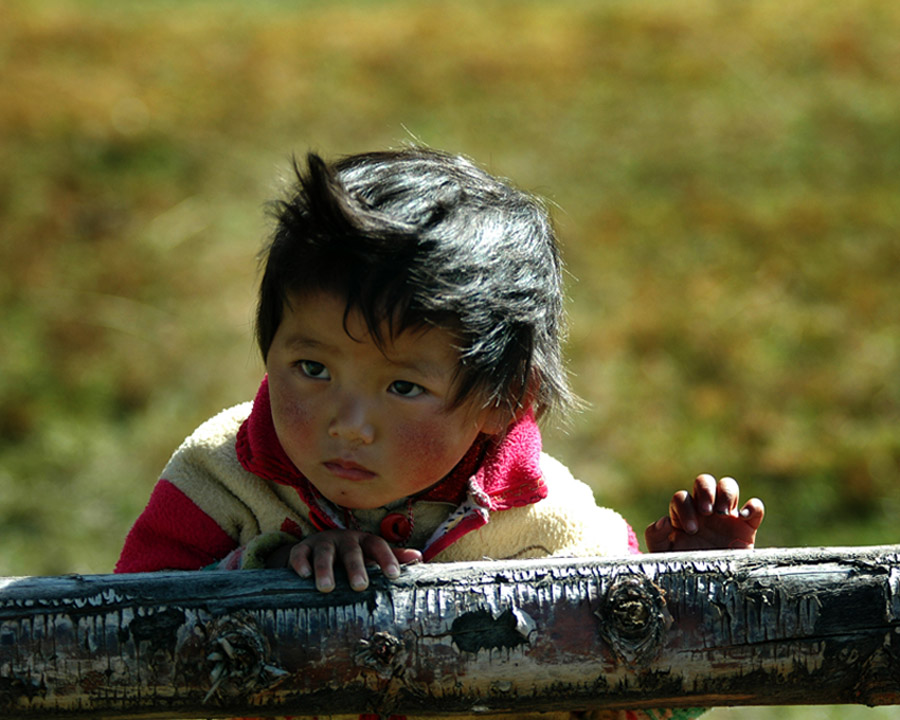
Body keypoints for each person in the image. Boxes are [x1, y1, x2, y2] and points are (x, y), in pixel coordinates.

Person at [116, 147, 764, 719]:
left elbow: (634, 709)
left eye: (403, 387)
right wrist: (270, 579)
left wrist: (691, 603)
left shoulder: (557, 535)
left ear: (504, 402)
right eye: (312, 369)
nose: (348, 424)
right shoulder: (221, 476)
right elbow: (121, 650)